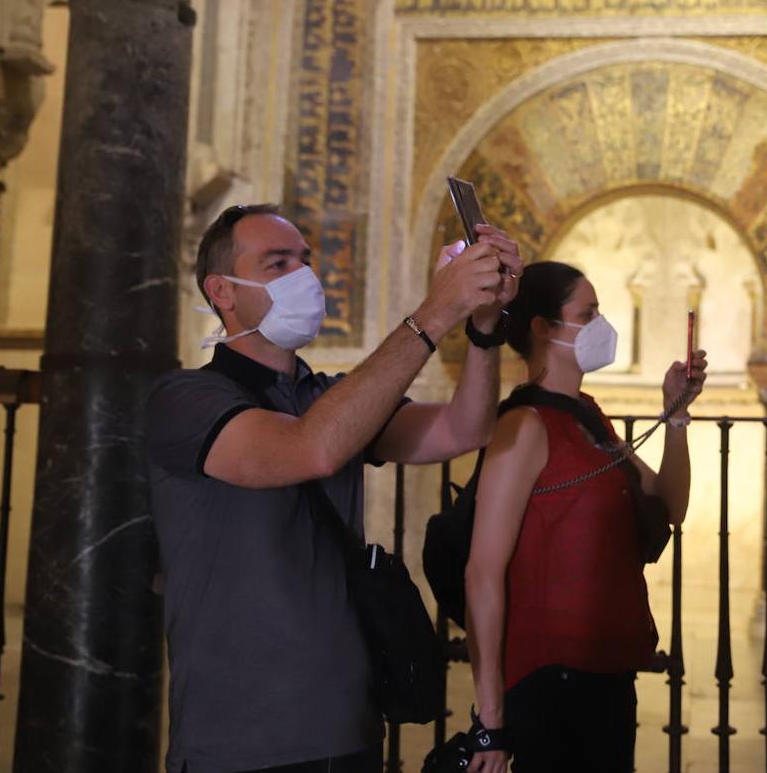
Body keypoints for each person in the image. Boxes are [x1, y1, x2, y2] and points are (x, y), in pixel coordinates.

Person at [144, 203, 523, 773]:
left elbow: (464, 427)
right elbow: (311, 450)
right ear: (222, 291)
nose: (304, 277)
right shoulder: (185, 400)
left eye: (306, 261)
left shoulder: (329, 398)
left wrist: (484, 324)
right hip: (240, 740)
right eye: (278, 264)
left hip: (346, 726)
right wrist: (434, 312)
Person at [463, 261, 708, 773]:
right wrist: (491, 718)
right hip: (552, 679)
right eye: (588, 312)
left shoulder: (588, 415)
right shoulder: (524, 426)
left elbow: (669, 504)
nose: (602, 324)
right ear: (543, 329)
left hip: (607, 671)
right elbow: (482, 572)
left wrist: (677, 415)